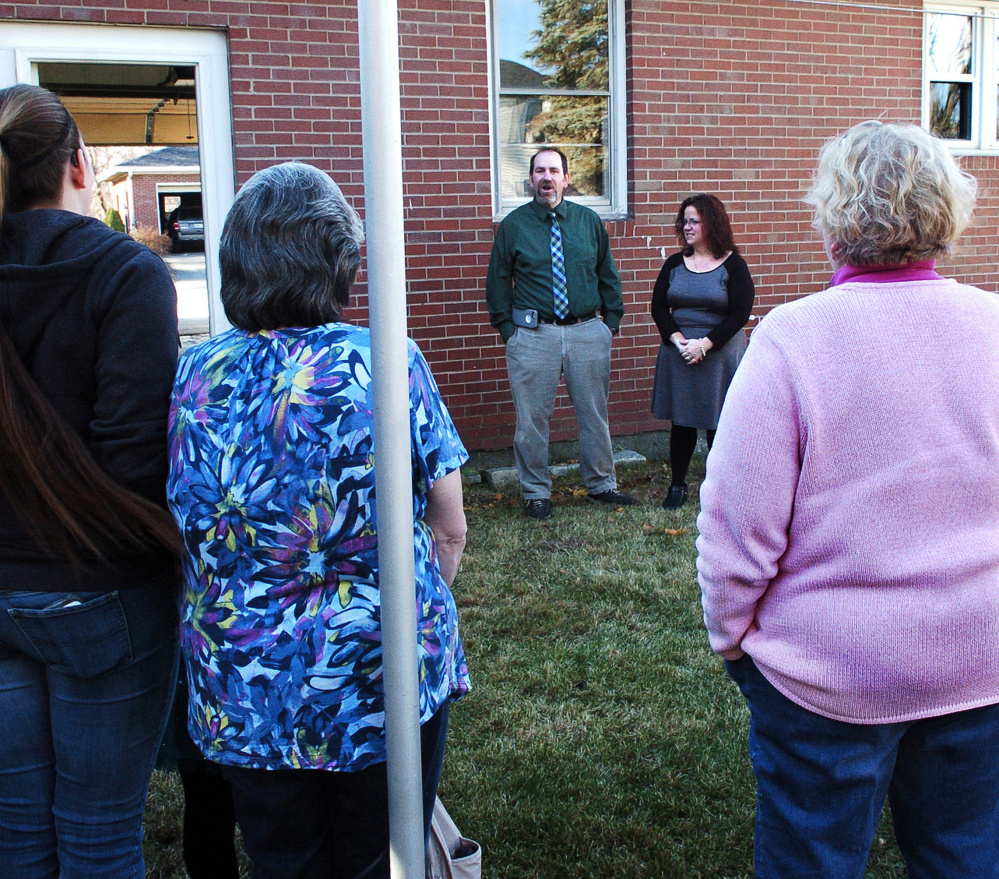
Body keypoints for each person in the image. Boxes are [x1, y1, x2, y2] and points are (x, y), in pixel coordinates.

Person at [696, 120, 999, 878]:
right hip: (981, 663)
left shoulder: (792, 340)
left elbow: (737, 528)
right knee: (966, 857)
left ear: (833, 219)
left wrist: (733, 640)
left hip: (826, 675)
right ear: (946, 213)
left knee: (810, 862)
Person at [167, 162, 470, 879]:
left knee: (282, 862)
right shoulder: (388, 360)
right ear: (342, 260)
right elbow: (449, 522)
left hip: (247, 685)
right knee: (382, 858)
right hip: (382, 672)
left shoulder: (193, 374)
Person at [0, 84, 181, 877]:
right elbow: (135, 464)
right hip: (102, 598)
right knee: (99, 834)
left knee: (16, 837)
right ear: (80, 163)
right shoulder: (128, 276)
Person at [486, 147, 634, 520]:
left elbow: (608, 275)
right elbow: (498, 282)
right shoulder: (515, 226)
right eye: (539, 171)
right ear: (531, 178)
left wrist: (609, 324)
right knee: (532, 420)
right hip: (534, 336)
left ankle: (601, 484)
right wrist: (509, 331)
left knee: (593, 414)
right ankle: (536, 492)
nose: (546, 178)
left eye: (554, 170)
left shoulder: (587, 221)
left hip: (587, 332)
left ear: (567, 178)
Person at [650, 194, 754, 510]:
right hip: (679, 352)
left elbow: (740, 313)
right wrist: (678, 338)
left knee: (717, 423)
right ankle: (677, 486)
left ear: (712, 223)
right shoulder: (674, 264)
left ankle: (719, 489)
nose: (688, 226)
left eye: (695, 220)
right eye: (685, 220)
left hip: (719, 355)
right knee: (681, 422)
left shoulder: (733, 265)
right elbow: (657, 306)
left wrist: (705, 344)